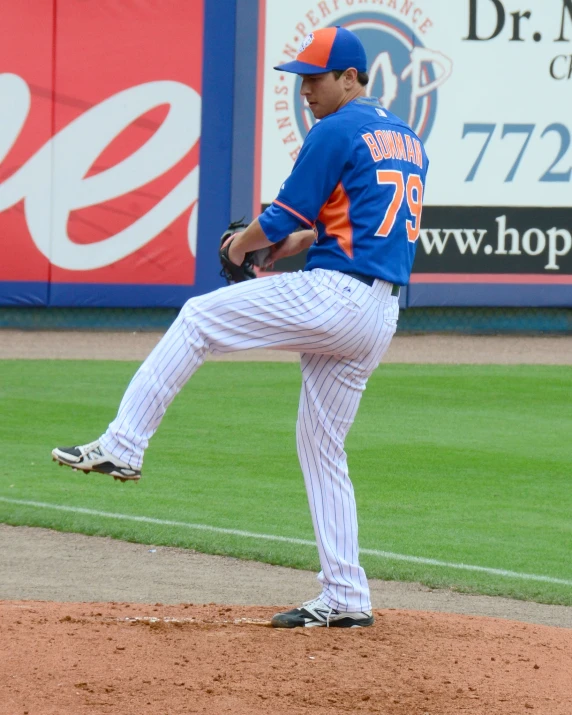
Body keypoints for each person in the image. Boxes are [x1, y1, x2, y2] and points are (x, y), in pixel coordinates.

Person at [52, 26, 428, 629]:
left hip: (337, 298)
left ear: (352, 78)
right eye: (301, 79)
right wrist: (292, 245)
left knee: (198, 316)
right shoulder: (406, 139)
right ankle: (346, 596)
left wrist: (240, 246)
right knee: (322, 446)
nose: (305, 89)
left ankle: (123, 444)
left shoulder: (337, 128)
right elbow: (356, 222)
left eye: (317, 78)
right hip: (379, 311)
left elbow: (281, 214)